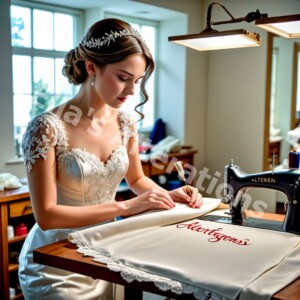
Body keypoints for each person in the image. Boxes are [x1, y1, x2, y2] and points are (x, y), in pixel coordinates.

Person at [18, 18, 203, 300]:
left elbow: (137, 179)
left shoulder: (125, 123)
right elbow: (46, 216)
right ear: (92, 67)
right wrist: (127, 206)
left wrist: (168, 195)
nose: (131, 92)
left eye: (137, 81)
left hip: (106, 251)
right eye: (122, 77)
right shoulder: (46, 127)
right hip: (56, 260)